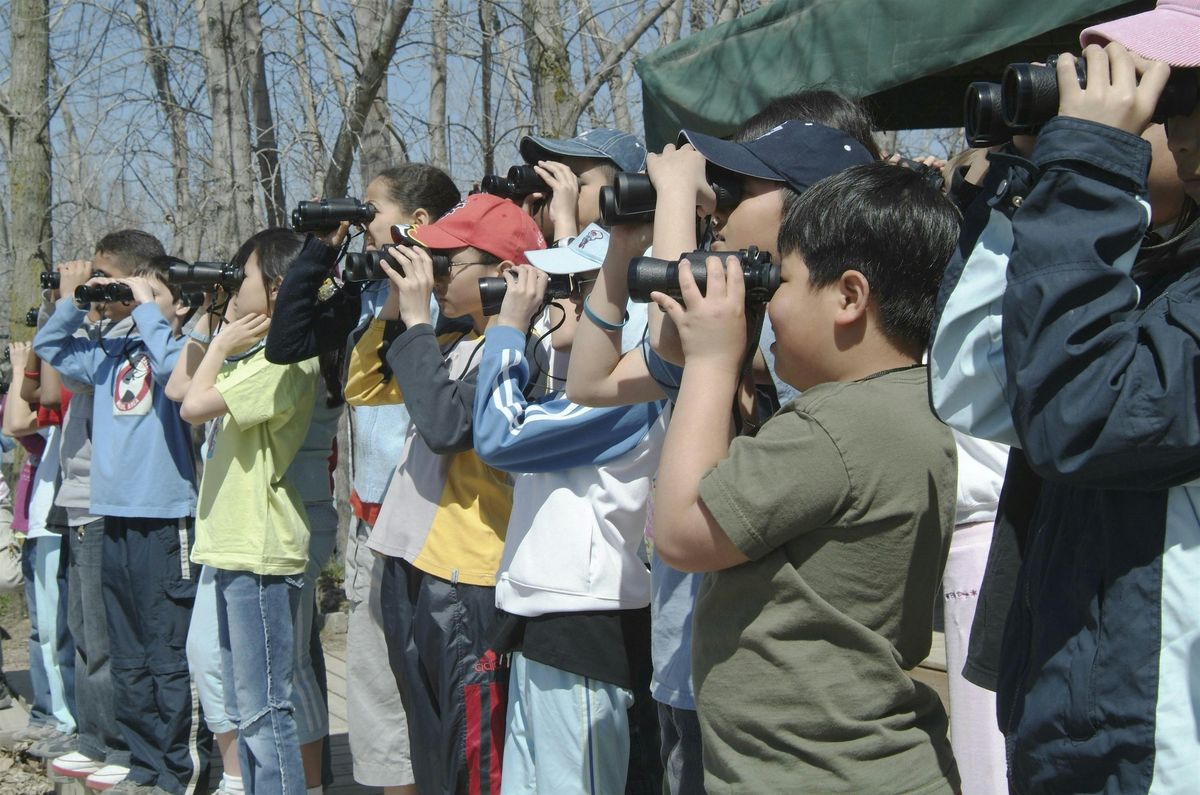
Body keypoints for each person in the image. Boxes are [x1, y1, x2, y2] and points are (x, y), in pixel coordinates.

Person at [936, 2, 1200, 788]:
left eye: (1189, 91)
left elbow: (1086, 416)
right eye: (1168, 95)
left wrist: (1086, 170)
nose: (1175, 121)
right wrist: (1032, 178)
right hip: (1077, 713)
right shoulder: (1158, 273)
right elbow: (975, 387)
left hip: (1163, 737)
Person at [650, 163, 961, 792]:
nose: (770, 300)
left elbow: (681, 533)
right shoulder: (910, 403)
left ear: (848, 296)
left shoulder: (831, 429)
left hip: (813, 773)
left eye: (781, 279)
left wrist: (711, 363)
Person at [342, 193, 544, 794]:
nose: (434, 273)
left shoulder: (521, 348)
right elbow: (362, 384)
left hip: (468, 573)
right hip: (413, 559)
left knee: (468, 750)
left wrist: (416, 323)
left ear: (504, 275)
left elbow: (448, 426)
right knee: (427, 739)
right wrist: (396, 312)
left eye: (448, 262)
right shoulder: (453, 339)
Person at [471, 225, 665, 794]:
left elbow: (498, 436)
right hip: (544, 623)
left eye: (567, 286)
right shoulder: (573, 392)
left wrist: (507, 328)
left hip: (586, 626)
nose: (548, 296)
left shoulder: (630, 400)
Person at [34, 230, 206, 794]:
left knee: (165, 647)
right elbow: (53, 351)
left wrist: (148, 309)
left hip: (165, 515)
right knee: (127, 648)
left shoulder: (186, 348)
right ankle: (141, 761)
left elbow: (171, 377)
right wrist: (73, 298)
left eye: (143, 290)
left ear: (174, 299)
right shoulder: (108, 350)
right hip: (110, 512)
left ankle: (176, 769)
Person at [169, 228, 320, 794]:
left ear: (279, 290)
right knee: (243, 701)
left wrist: (218, 345)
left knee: (263, 710)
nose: (234, 282)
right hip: (237, 543)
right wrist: (210, 323)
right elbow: (180, 385)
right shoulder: (255, 356)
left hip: (260, 546)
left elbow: (193, 406)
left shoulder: (285, 361)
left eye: (244, 275)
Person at [514, 128, 647, 243]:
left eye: (572, 180)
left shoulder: (627, 258)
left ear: (621, 194)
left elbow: (571, 273)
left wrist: (565, 221)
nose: (560, 191)